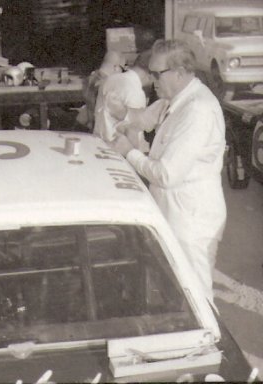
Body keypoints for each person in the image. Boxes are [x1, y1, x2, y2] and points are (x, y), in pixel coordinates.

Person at [113, 39, 227, 304]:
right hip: (175, 213)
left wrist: (129, 152)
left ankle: (212, 345)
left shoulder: (197, 110)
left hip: (190, 219)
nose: (151, 79)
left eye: (156, 73)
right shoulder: (175, 99)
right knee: (178, 294)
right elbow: (144, 118)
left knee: (198, 300)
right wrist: (121, 113)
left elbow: (166, 174)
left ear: (179, 72)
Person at [93, 50, 154, 149]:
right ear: (150, 74)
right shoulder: (135, 91)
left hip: (97, 144)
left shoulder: (109, 79)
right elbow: (133, 134)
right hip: (116, 154)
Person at [78, 51, 125, 130]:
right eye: (122, 68)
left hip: (87, 122)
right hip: (102, 128)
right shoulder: (112, 82)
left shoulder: (90, 78)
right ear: (116, 67)